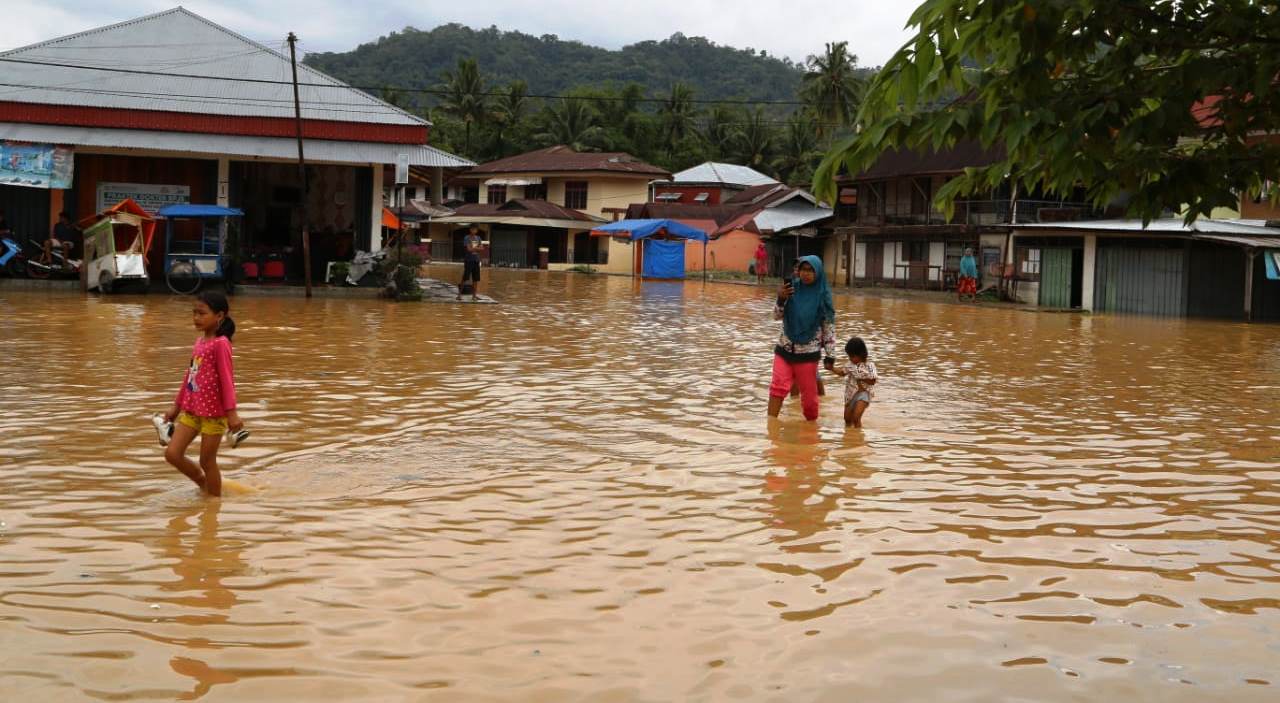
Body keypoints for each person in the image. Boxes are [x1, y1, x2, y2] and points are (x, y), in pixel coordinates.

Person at [160, 291, 245, 498]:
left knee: (207, 461)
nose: (196, 318)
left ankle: (213, 504)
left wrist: (231, 413)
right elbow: (189, 376)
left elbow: (227, 379)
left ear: (219, 316)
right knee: (172, 453)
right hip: (192, 410)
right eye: (194, 313)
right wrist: (176, 406)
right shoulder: (199, 343)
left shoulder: (221, 343)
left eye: (202, 313)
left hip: (214, 415)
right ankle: (203, 483)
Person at [768, 255, 837, 422]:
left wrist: (830, 356)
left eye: (810, 270)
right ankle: (770, 430)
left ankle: (811, 434)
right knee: (777, 387)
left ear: (818, 272)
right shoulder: (791, 290)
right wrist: (781, 299)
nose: (805, 273)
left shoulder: (822, 296)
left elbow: (828, 328)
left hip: (807, 354)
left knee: (810, 402)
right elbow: (776, 316)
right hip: (784, 349)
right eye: (803, 269)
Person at [833, 337, 877, 428]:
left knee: (856, 418)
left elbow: (873, 381)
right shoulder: (849, 365)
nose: (850, 359)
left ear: (860, 354)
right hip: (850, 395)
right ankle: (849, 437)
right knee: (847, 419)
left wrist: (860, 377)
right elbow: (842, 373)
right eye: (849, 356)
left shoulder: (870, 366)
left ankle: (858, 438)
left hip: (864, 393)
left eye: (852, 356)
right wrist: (831, 368)